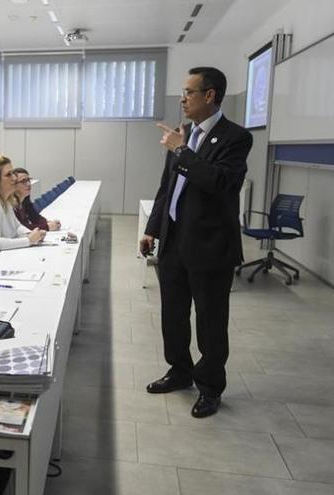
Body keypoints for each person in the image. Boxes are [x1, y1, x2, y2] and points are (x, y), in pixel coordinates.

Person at [141, 67, 252, 419]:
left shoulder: (236, 138)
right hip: (174, 242)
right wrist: (152, 228)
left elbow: (220, 182)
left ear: (210, 95)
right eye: (183, 92)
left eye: (189, 92)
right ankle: (179, 370)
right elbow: (166, 188)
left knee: (210, 321)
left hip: (210, 247)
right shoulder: (183, 134)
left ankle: (209, 387)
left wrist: (182, 151)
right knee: (173, 315)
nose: (183, 99)